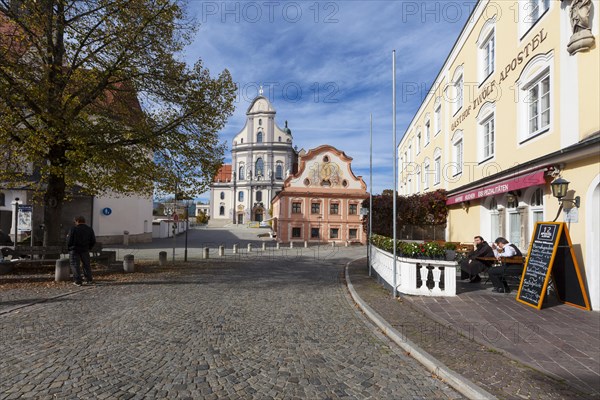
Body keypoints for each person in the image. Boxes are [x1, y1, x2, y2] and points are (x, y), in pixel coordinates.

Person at [67, 216, 96, 286]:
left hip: (74, 249)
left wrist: (69, 248)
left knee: (75, 265)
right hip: (85, 249)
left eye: (75, 222)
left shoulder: (73, 229)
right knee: (86, 264)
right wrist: (89, 248)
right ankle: (89, 279)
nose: (75, 223)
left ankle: (78, 280)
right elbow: (93, 240)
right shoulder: (89, 229)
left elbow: (69, 240)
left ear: (77, 221)